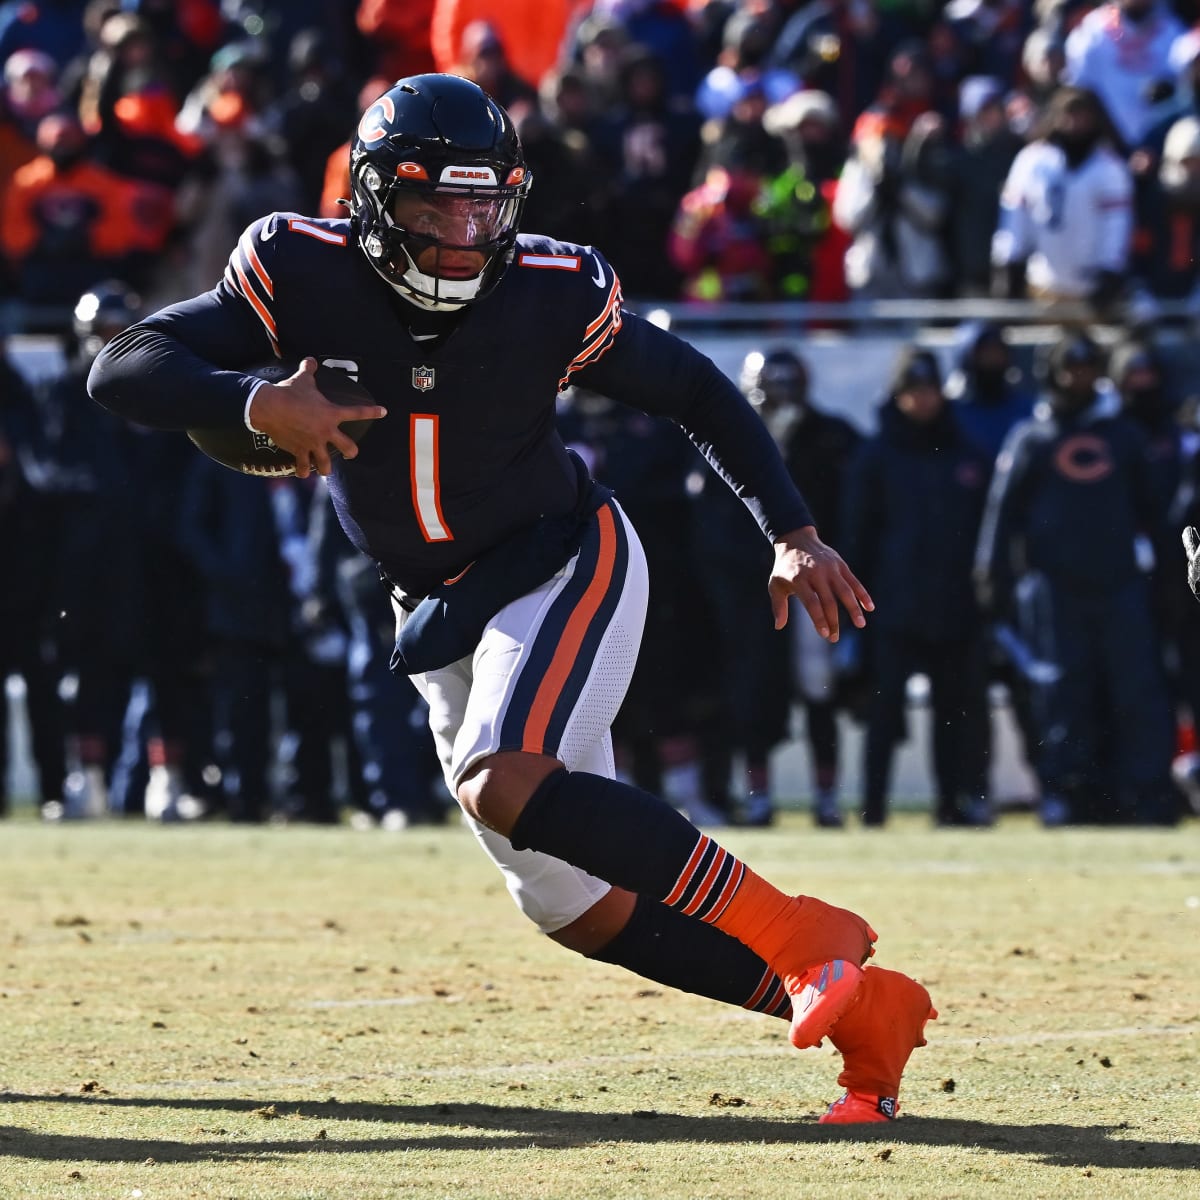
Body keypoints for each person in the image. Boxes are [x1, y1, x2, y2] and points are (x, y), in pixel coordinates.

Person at [88, 72, 936, 1124]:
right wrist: (254, 398)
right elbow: (124, 366)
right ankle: (864, 1019)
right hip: (435, 603)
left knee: (503, 780)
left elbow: (696, 391)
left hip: (558, 555)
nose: (462, 231)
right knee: (572, 902)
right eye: (437, 205)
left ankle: (808, 935)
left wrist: (792, 533)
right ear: (371, 198)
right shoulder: (295, 265)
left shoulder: (551, 286)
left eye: (483, 205)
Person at [975, 330, 1178, 826]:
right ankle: (1068, 796)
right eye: (1071, 369)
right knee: (1063, 697)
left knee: (1136, 692)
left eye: (1088, 369)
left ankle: (1145, 795)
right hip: (1054, 590)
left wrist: (1173, 578)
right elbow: (1001, 516)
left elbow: (1156, 513)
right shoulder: (1033, 437)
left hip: (1120, 586)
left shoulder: (1122, 436)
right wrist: (991, 580)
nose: (1079, 379)